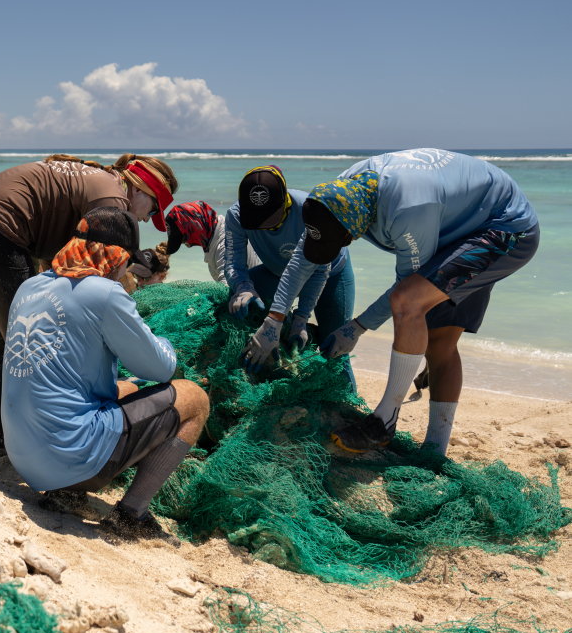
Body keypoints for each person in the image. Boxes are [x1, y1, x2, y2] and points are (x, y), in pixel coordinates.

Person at [302, 149, 539, 456]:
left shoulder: (409, 210)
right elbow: (306, 249)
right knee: (438, 342)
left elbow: (404, 293)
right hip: (456, 224)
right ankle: (435, 451)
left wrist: (358, 327)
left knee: (408, 302)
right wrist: (280, 317)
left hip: (505, 228)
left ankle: (383, 422)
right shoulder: (338, 194)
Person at [0, 153, 179, 460]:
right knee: (24, 346)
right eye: (153, 209)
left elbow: (66, 257)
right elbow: (94, 264)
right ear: (139, 189)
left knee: (2, 342)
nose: (148, 219)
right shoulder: (113, 198)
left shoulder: (100, 179)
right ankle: (38, 446)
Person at [1, 207, 210, 541]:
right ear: (117, 257)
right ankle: (132, 515)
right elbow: (159, 368)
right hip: (70, 459)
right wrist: (168, 344)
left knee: (127, 388)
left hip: (23, 458)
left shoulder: (29, 287)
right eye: (126, 261)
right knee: (193, 398)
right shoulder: (105, 292)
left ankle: (65, 494)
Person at [220, 166, 354, 376]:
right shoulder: (236, 215)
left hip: (329, 272)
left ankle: (304, 330)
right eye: (257, 220)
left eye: (270, 219)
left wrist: (301, 317)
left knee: (335, 350)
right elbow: (233, 264)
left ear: (286, 201)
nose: (263, 227)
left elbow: (319, 271)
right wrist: (243, 287)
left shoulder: (310, 211)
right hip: (276, 272)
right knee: (238, 300)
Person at [163, 200, 258, 285]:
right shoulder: (217, 231)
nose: (188, 245)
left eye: (184, 239)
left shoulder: (225, 243)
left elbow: (226, 287)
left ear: (195, 226)